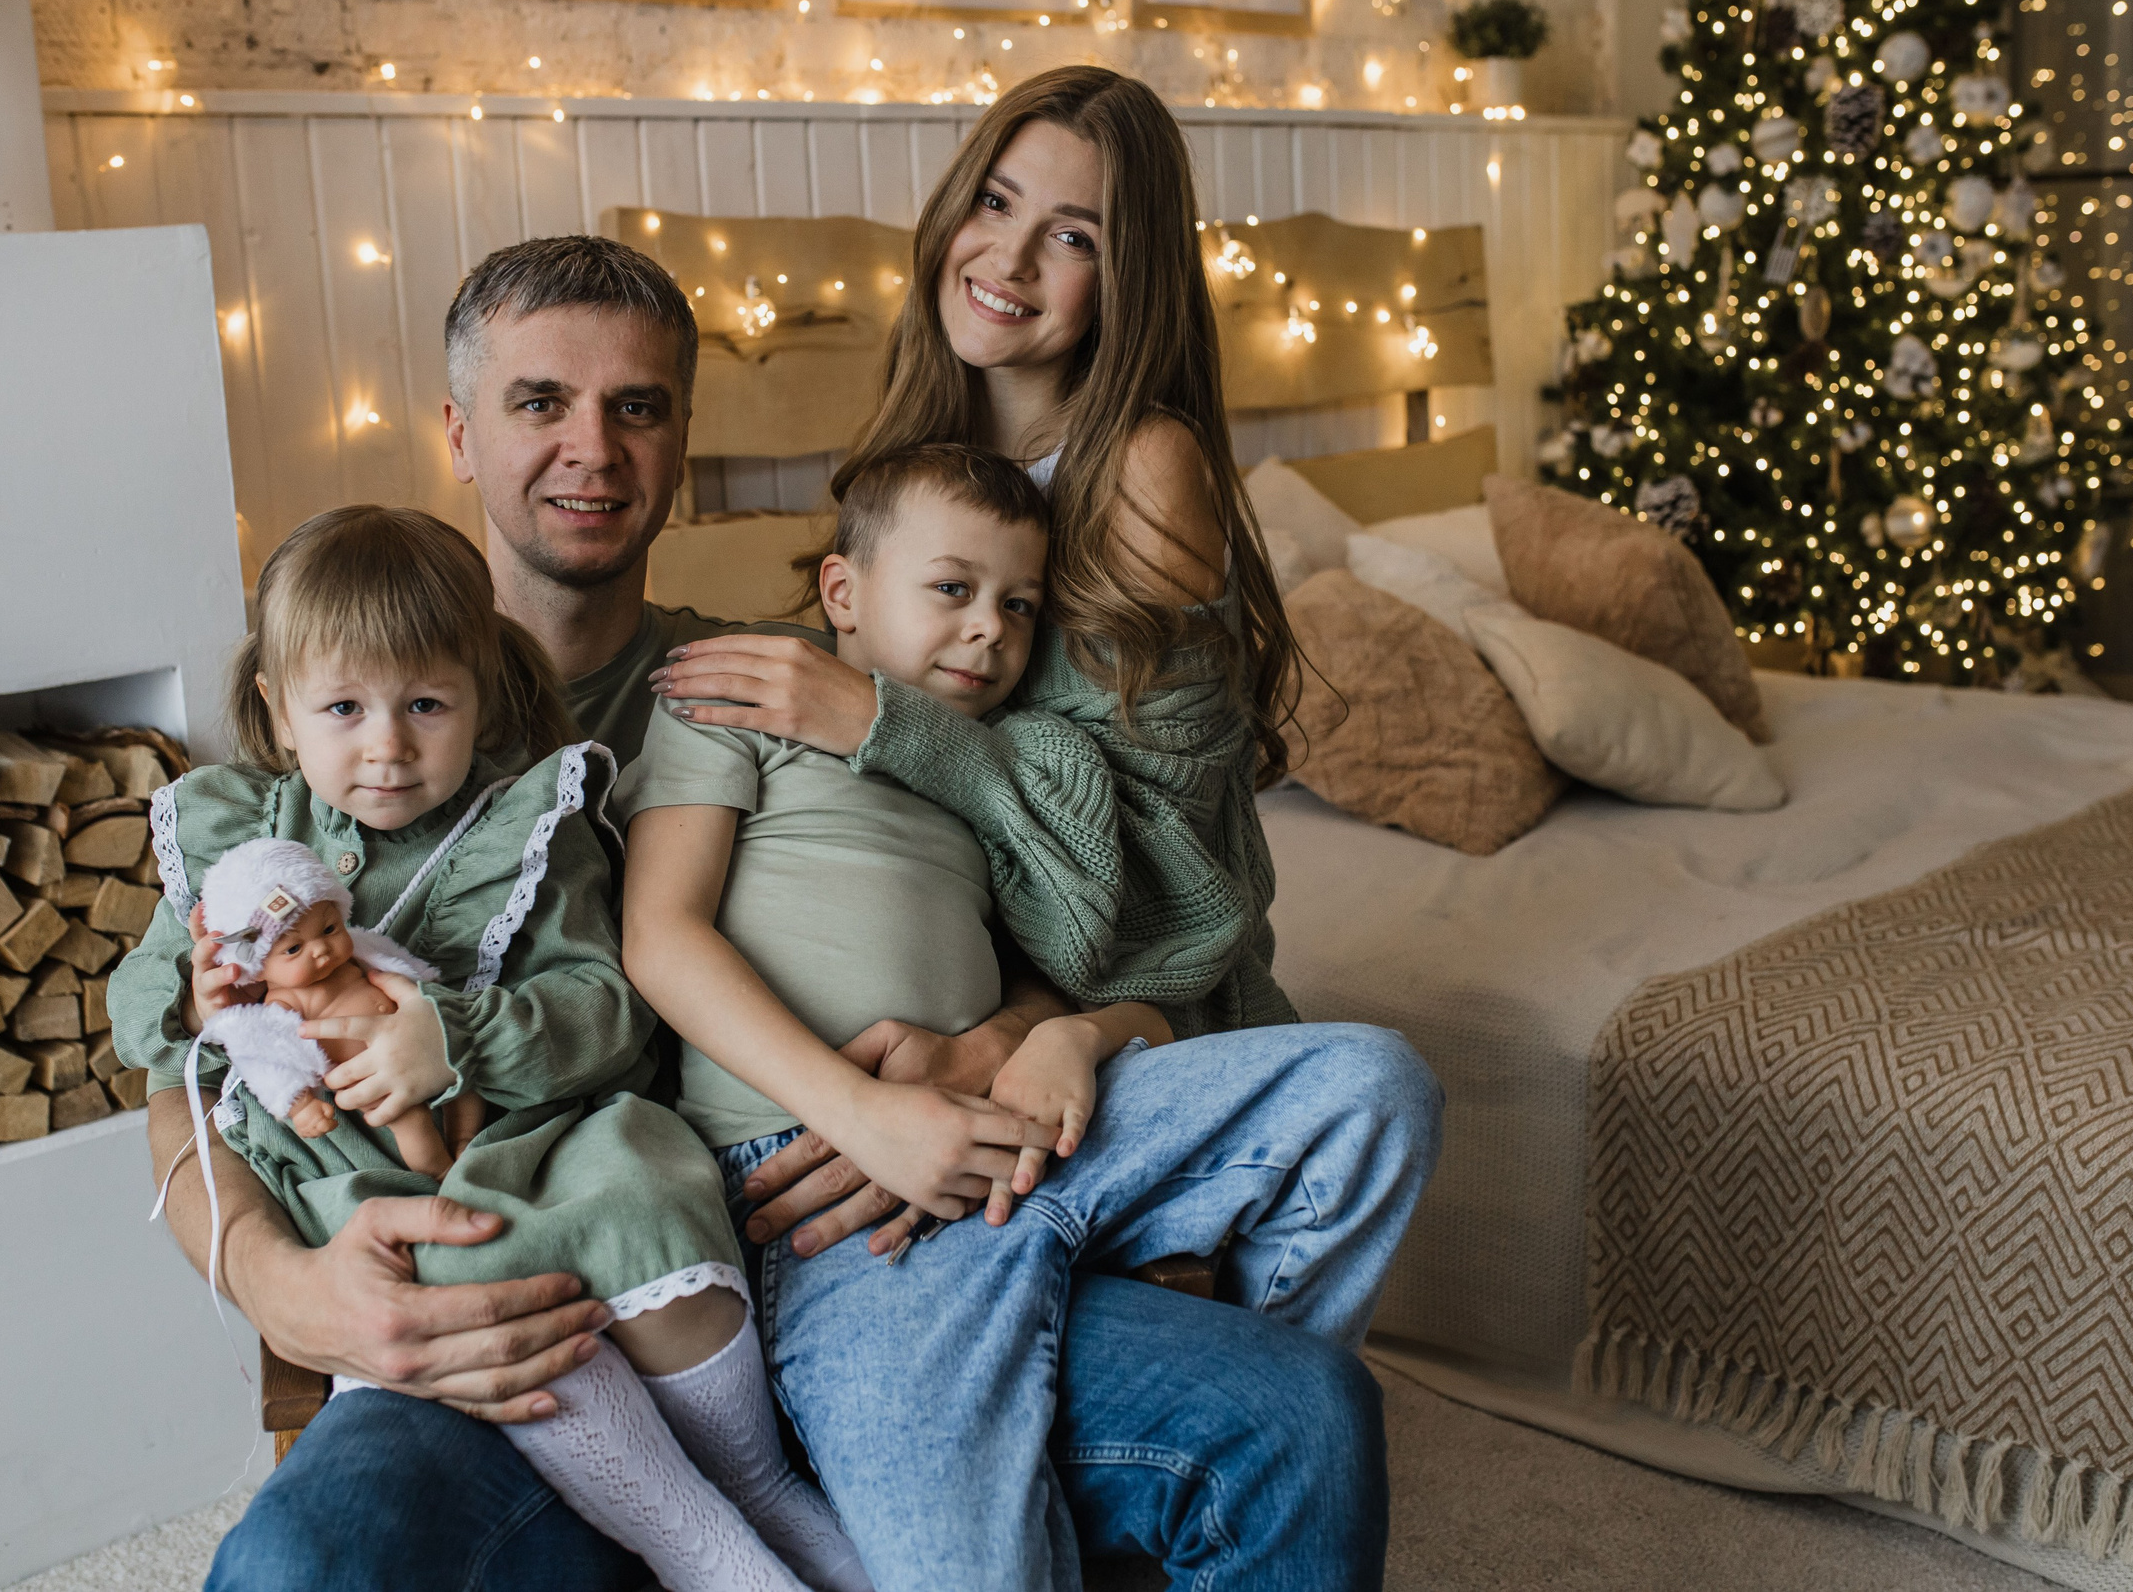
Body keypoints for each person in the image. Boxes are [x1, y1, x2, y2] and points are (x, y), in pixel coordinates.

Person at [182, 232, 1406, 1591]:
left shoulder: (774, 675)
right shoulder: (331, 731)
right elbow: (185, 1077)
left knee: (1300, 1417)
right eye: (541, 401)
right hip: (523, 1307)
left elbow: (1024, 896)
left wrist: (991, 1040)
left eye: (636, 405)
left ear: (683, 441)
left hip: (832, 1241)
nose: (592, 444)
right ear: (460, 432)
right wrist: (273, 1278)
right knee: (302, 1561)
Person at [641, 68, 1445, 1589]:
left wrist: (1016, 1026)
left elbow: (1170, 892)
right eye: (996, 203)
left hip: (1124, 1016)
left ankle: (1203, 1350)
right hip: (931, 1079)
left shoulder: (1143, 469)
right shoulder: (910, 475)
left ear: (1127, 280)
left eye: (1071, 235)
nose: (1007, 259)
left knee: (1369, 1105)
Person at [115, 504, 865, 1591]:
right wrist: (192, 996)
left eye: (427, 702)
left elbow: (608, 1006)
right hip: (366, 1180)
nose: (387, 745)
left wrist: (454, 1038)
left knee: (639, 1193)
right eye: (342, 707)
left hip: (544, 1138)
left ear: (484, 687)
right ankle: (701, 1550)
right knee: (469, 1286)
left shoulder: (530, 820)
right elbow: (141, 1035)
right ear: (279, 711)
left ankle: (752, 1489)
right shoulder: (237, 842)